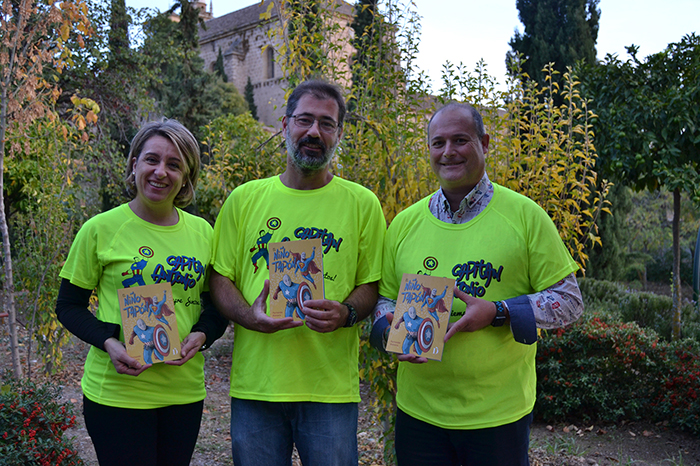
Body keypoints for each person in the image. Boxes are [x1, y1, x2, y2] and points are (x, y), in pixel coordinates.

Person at [371, 103, 584, 466]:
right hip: (419, 414)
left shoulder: (525, 216)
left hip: (498, 417)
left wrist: (498, 312)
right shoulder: (404, 224)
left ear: (484, 143)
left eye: (460, 140)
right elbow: (385, 299)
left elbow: (569, 301)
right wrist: (386, 327)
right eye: (438, 143)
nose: (448, 151)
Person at [210, 80, 386, 466]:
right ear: (285, 124)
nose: (313, 132)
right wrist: (247, 317)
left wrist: (346, 313)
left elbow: (371, 285)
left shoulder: (363, 204)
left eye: (326, 123)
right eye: (305, 120)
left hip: (330, 390)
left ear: (339, 134)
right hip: (257, 387)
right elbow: (219, 278)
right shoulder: (244, 200)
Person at [55, 119, 228, 466]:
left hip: (183, 393)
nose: (160, 172)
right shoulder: (101, 229)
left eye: (174, 164)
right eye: (152, 159)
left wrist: (203, 334)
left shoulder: (204, 233)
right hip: (118, 394)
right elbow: (68, 306)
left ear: (186, 176)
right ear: (134, 164)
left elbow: (216, 306)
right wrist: (109, 341)